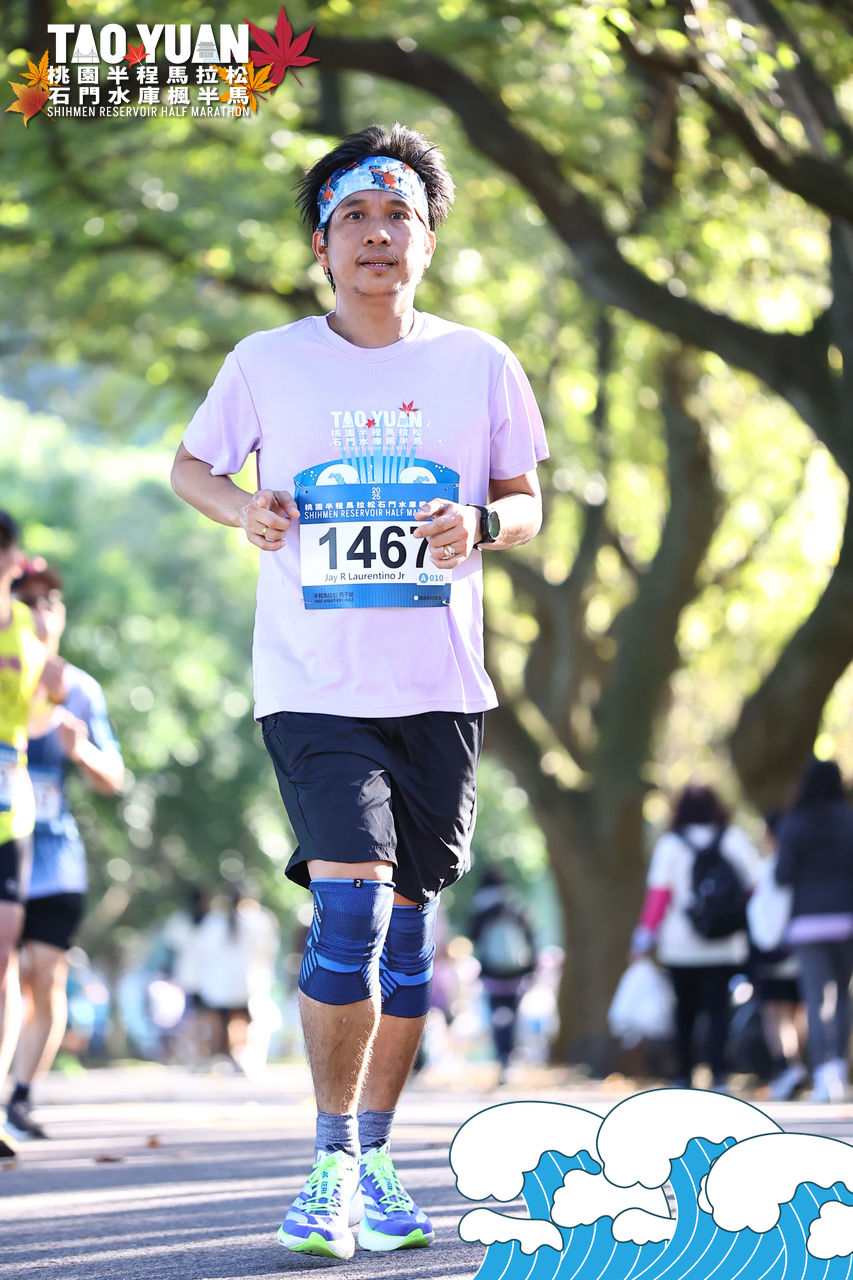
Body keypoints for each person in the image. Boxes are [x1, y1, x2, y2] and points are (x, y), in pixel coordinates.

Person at [171, 122, 547, 1258]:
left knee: (409, 938)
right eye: (354, 219)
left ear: (427, 241)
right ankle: (328, 1162)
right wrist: (242, 508)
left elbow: (525, 498)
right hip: (312, 682)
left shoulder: (479, 363)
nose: (377, 234)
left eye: (399, 217)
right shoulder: (266, 361)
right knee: (352, 905)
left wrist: (481, 521)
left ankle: (376, 1158)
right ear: (322, 247)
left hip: (439, 689)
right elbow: (190, 465)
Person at [4, 561, 124, 1140]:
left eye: (51, 598)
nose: (42, 610)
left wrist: (80, 751)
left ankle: (21, 1095)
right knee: (8, 974)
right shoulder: (7, 672)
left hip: (55, 858)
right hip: (7, 844)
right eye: (27, 599)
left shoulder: (82, 689)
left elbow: (114, 778)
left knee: (45, 977)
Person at [631, 784, 761, 1090]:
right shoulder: (733, 839)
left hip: (680, 946)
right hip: (725, 944)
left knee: (684, 1012)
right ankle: (719, 1075)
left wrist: (643, 940)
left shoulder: (670, 845)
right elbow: (756, 886)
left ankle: (683, 1074)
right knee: (718, 1012)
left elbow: (659, 897)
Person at [775, 758, 853, 1102]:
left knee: (816, 999)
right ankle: (839, 1068)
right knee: (843, 997)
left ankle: (824, 1075)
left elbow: (782, 874)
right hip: (846, 920)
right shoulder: (849, 822)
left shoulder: (794, 824)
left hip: (807, 923)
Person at [190, 882, 280, 1074]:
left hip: (218, 984)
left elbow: (200, 953)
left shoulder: (213, 922)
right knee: (241, 1020)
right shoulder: (258, 920)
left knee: (221, 1020)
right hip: (243, 983)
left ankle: (222, 1056)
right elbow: (267, 951)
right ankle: (237, 1055)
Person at [469, 868, 537, 1085]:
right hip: (517, 970)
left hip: (493, 971)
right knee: (513, 1015)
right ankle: (510, 1058)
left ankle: (502, 1058)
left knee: (498, 1016)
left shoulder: (480, 905)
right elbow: (530, 936)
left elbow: (473, 936)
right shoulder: (515, 902)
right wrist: (532, 967)